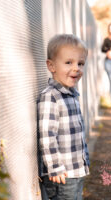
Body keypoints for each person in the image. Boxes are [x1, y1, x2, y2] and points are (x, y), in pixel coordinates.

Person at [37, 34, 90, 200]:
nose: (76, 68)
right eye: (69, 62)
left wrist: (84, 160)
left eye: (80, 63)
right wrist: (55, 167)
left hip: (75, 170)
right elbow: (47, 136)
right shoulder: (51, 96)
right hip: (62, 174)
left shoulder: (72, 95)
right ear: (51, 66)